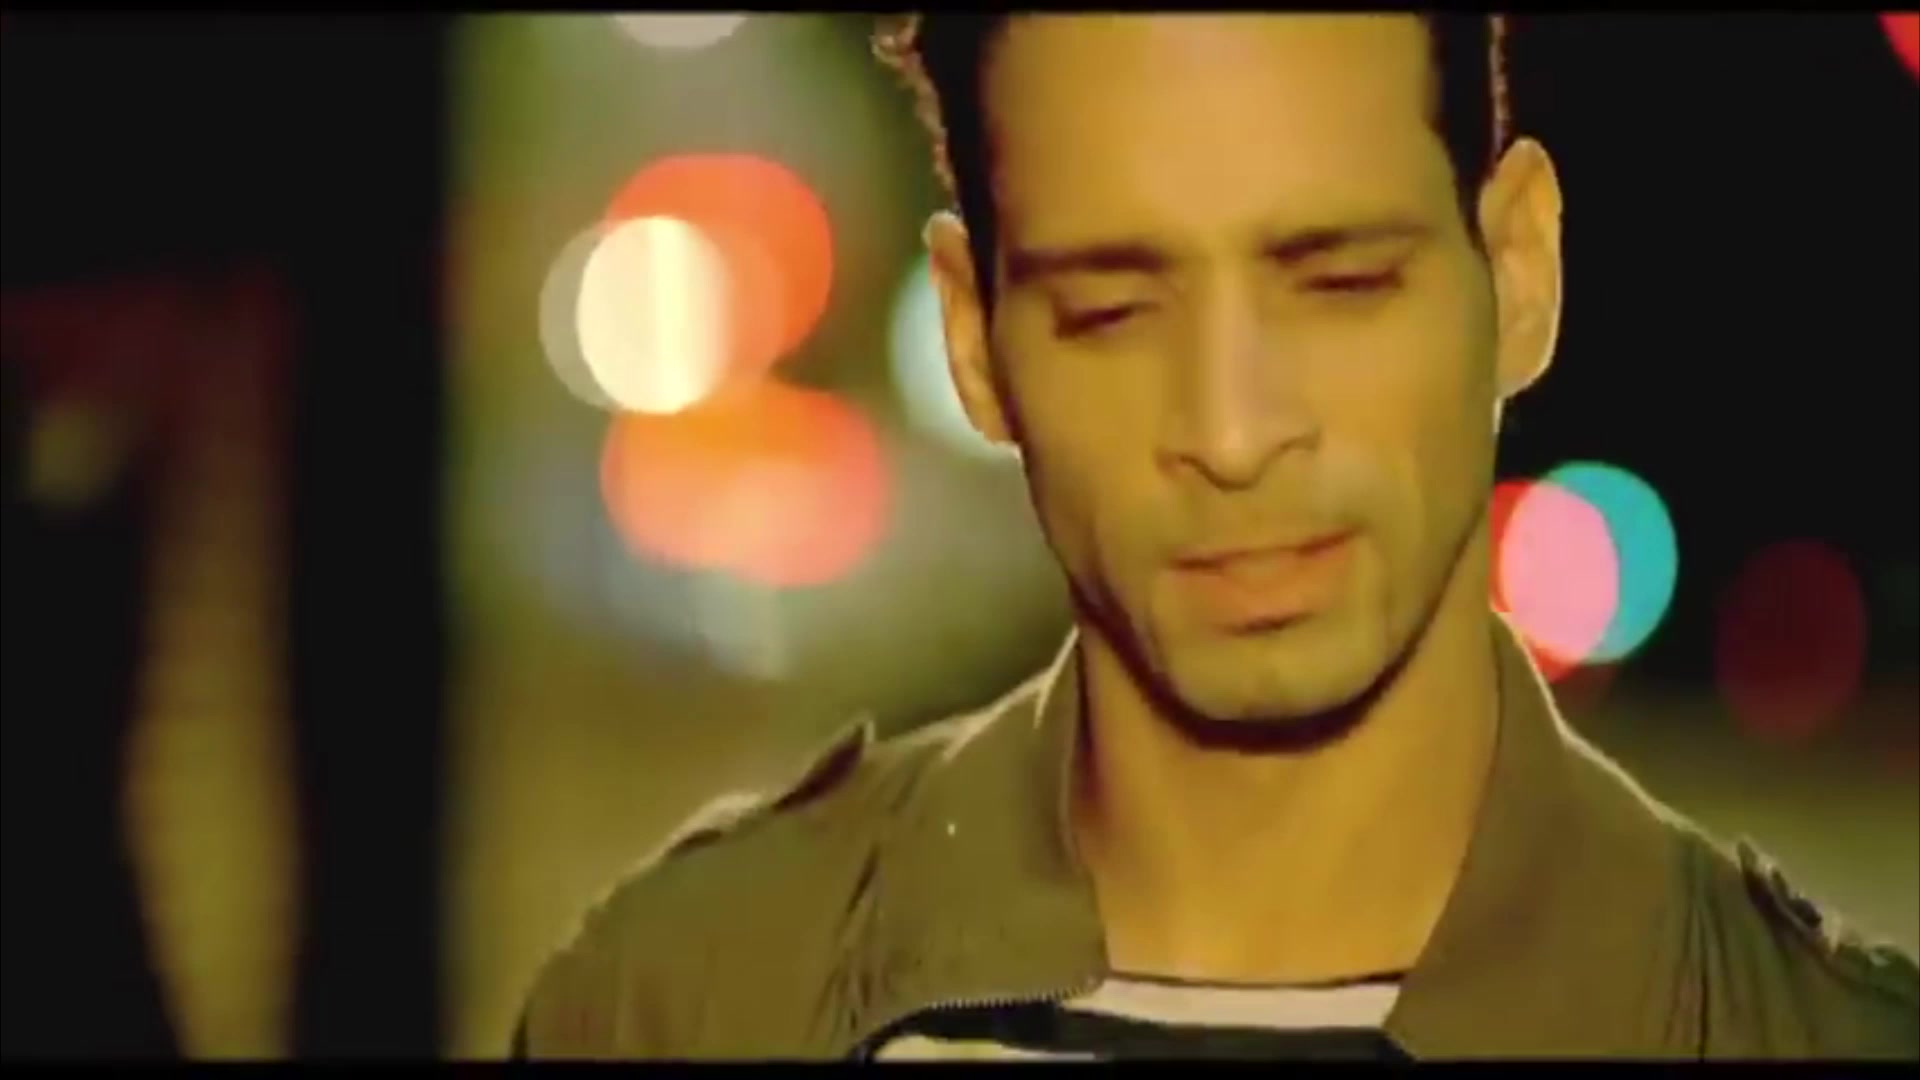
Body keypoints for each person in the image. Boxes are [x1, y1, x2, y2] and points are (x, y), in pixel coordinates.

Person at [513, 14, 1919, 1060]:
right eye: (1112, 312)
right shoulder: (682, 1012)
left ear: (1521, 272)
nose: (1233, 430)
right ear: (975, 339)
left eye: (1341, 283)